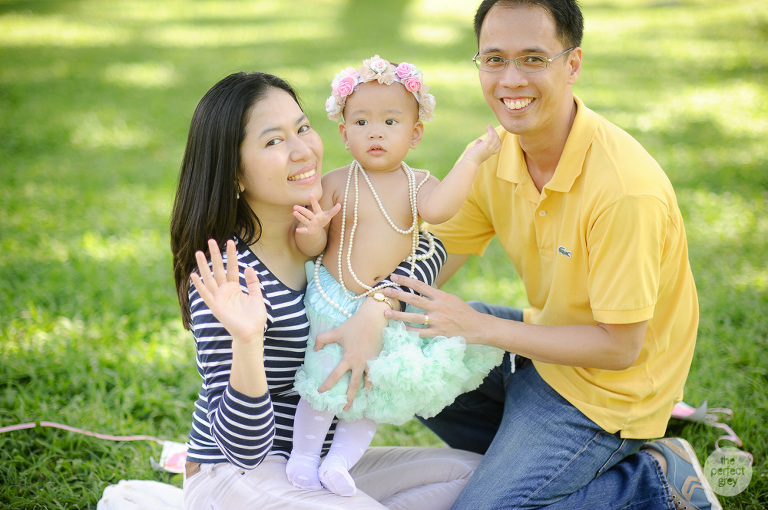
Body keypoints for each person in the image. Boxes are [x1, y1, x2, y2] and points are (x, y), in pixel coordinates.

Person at [379, 1, 722, 509]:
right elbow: (438, 249)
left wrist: (480, 327)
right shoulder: (498, 154)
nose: (510, 79)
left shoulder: (624, 191)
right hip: (542, 347)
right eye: (494, 59)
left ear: (572, 64)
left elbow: (620, 348)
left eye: (533, 59)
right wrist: (374, 305)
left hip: (607, 393)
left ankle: (650, 480)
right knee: (397, 339)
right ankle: (522, 460)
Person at [169, 71, 483, 510]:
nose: (302, 151)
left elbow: (430, 249)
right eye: (273, 141)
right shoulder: (227, 275)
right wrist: (247, 340)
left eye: (302, 129)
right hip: (240, 473)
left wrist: (377, 304)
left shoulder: (330, 225)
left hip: (317, 467)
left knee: (476, 476)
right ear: (235, 173)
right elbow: (241, 448)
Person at [285, 55, 504, 497]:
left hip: (386, 311)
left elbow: (441, 210)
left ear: (415, 134)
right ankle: (304, 457)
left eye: (390, 121)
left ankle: (340, 463)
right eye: (361, 122)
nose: (376, 132)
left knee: (373, 390)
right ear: (344, 134)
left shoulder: (417, 184)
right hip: (334, 299)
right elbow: (311, 248)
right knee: (324, 381)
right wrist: (312, 231)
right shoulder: (335, 182)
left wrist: (471, 160)